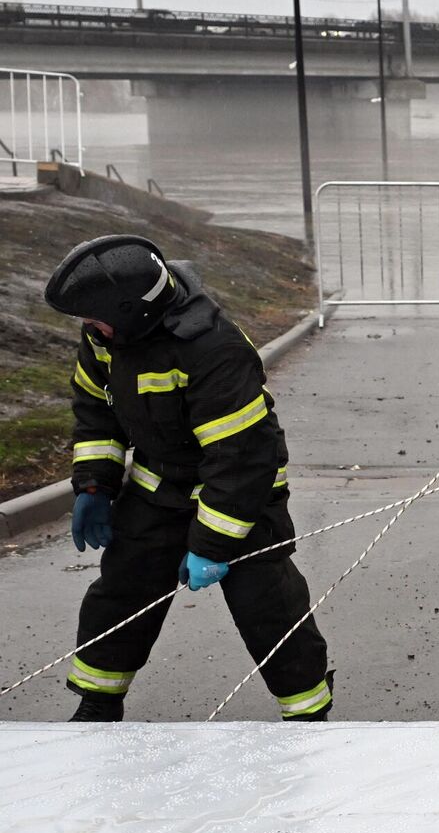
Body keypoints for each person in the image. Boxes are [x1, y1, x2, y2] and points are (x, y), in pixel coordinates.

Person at [46, 235, 332, 723]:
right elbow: (96, 412)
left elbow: (241, 460)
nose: (90, 329)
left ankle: (308, 710)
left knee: (266, 605)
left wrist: (212, 544)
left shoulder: (213, 349)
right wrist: (94, 485)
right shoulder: (106, 336)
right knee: (121, 592)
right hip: (159, 486)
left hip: (243, 494)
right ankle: (97, 701)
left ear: (134, 310)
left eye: (95, 320)